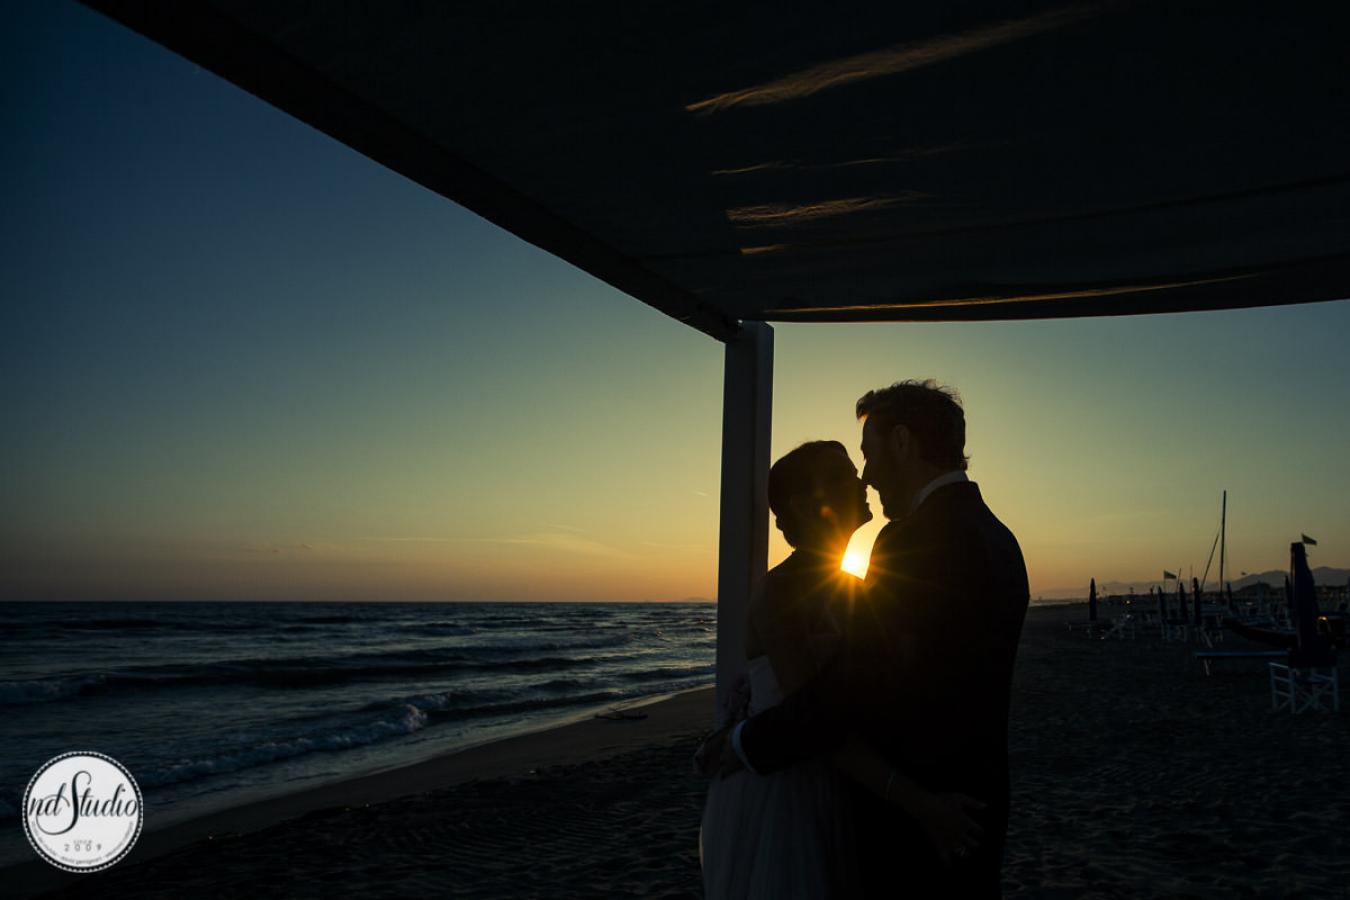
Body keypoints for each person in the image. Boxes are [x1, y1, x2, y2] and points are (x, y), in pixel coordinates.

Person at [711, 380, 1030, 898]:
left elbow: (854, 684)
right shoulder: (999, 537)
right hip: (974, 799)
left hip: (923, 817)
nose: (868, 476)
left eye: (869, 454)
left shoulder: (912, 542)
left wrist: (745, 742)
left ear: (902, 442)